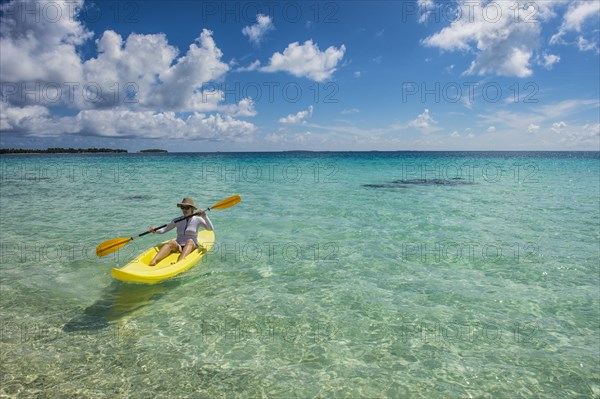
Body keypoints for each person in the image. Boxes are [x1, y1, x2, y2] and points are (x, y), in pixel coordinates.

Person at [148, 197, 214, 266]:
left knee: (189, 241)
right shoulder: (177, 220)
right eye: (182, 207)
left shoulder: (198, 219)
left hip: (192, 246)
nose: (184, 210)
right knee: (171, 242)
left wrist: (204, 216)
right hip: (179, 246)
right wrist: (155, 230)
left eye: (187, 208)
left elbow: (210, 229)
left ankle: (179, 263)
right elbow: (164, 230)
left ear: (192, 209)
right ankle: (154, 261)